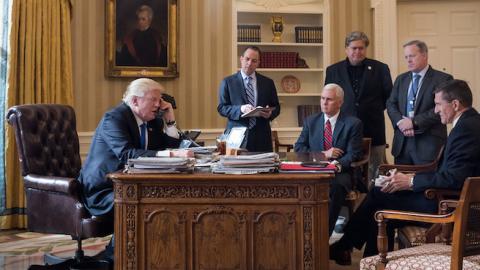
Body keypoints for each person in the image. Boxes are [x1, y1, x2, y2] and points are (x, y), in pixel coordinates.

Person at [329, 79, 480, 265]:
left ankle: (348, 248)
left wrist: (410, 182)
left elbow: (454, 178)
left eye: (439, 104)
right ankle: (365, 258)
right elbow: (448, 172)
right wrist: (409, 178)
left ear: (455, 104)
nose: (436, 110)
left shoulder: (466, 129)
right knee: (380, 198)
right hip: (444, 196)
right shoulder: (468, 123)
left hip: (448, 205)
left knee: (379, 197)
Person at [78, 78, 189, 263]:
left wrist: (169, 119)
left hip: (131, 187)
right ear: (135, 101)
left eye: (159, 100)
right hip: (104, 190)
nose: (158, 105)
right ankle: (121, 257)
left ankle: (157, 257)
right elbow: (127, 154)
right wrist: (169, 154)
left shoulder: (152, 121)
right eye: (154, 99)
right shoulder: (114, 118)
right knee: (146, 206)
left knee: (165, 201)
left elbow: (171, 145)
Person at [294, 83, 363, 236]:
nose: (324, 103)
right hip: (313, 170)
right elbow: (298, 148)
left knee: (334, 188)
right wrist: (323, 155)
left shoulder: (353, 123)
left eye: (329, 99)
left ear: (340, 102)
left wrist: (335, 165)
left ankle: (323, 236)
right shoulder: (311, 121)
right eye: (322, 98)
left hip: (340, 173)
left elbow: (354, 154)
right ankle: (302, 233)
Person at [325, 31, 392, 181]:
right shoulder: (333, 70)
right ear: (346, 49)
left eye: (361, 48)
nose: (357, 52)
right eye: (354, 48)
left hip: (373, 127)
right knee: (345, 167)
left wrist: (372, 109)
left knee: (376, 170)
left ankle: (375, 201)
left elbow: (389, 97)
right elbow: (329, 98)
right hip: (343, 129)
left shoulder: (380, 68)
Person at [386, 40, 453, 165]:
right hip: (402, 144)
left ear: (424, 55)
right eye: (406, 57)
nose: (408, 60)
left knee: (425, 183)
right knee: (399, 183)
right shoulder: (401, 79)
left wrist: (413, 122)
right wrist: (401, 122)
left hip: (428, 145)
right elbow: (390, 104)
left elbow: (442, 109)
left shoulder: (443, 79)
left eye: (412, 56)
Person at [217, 46, 281, 152]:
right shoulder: (228, 82)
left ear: (258, 63)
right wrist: (241, 109)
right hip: (237, 138)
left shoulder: (268, 83)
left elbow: (277, 107)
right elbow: (222, 108)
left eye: (254, 61)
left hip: (262, 138)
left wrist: (270, 114)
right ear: (241, 59)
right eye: (247, 59)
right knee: (236, 168)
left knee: (264, 168)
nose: (250, 63)